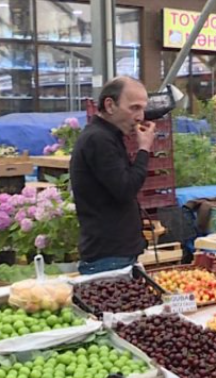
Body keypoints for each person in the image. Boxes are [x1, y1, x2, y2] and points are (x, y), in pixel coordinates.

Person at [70, 76, 155, 275]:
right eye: (134, 108)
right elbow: (125, 189)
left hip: (115, 255)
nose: (140, 116)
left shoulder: (107, 137)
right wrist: (144, 149)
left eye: (142, 109)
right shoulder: (98, 140)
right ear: (110, 105)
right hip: (108, 258)